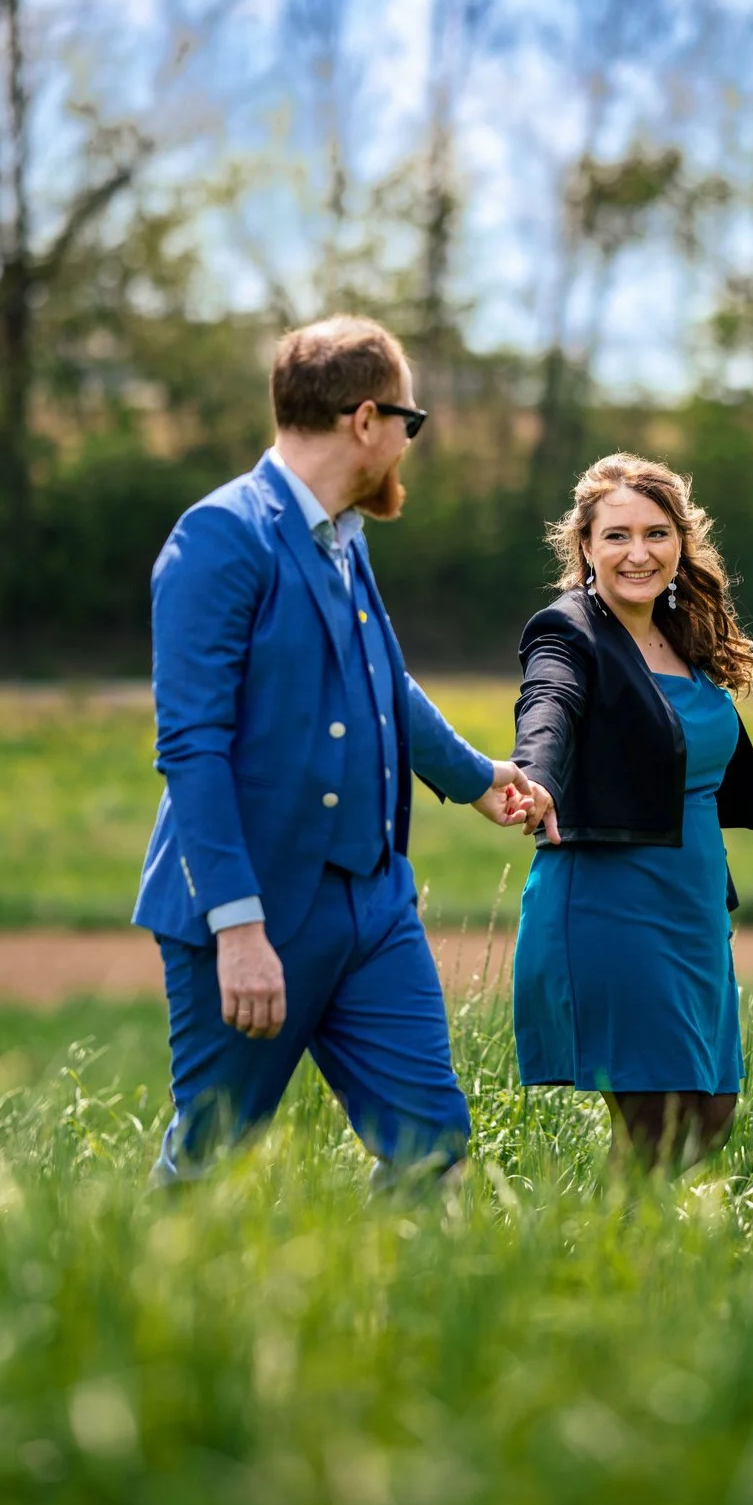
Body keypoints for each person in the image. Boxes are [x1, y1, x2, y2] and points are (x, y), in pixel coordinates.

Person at [132, 314, 554, 1186]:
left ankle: (396, 1318)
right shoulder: (220, 537)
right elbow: (192, 749)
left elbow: (382, 684)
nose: (409, 442)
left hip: (373, 906)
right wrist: (239, 930)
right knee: (212, 1162)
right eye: (410, 421)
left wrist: (476, 778)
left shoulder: (342, 536)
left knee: (429, 1145)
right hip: (253, 914)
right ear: (366, 420)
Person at [507, 453, 753, 1173]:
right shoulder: (567, 633)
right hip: (608, 899)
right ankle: (605, 1275)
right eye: (617, 535)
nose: (639, 552)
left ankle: (622, 1261)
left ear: (681, 543)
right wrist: (535, 774)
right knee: (657, 1121)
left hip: (691, 906)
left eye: (656, 533)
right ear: (586, 547)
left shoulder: (686, 635)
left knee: (709, 1113)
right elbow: (549, 707)